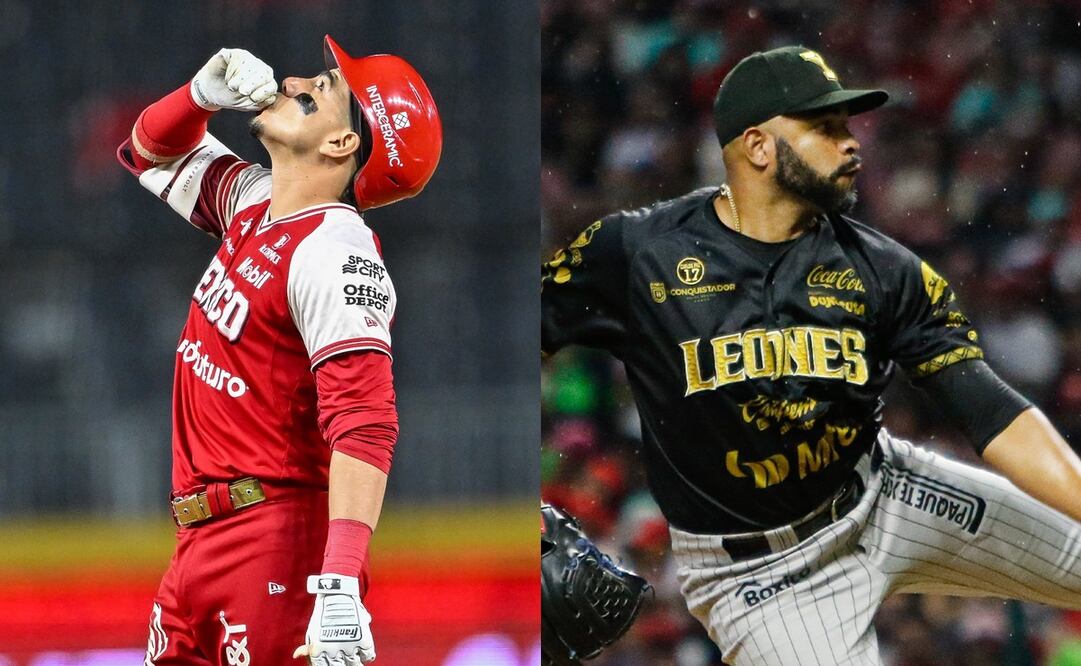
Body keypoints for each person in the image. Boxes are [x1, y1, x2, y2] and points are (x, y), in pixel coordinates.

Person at [541, 45, 1081, 665]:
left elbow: (991, 410)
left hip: (885, 493)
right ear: (758, 147)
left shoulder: (882, 268)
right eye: (824, 128)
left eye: (847, 126)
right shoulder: (638, 254)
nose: (850, 143)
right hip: (760, 577)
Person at [116, 35, 441, 665]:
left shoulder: (336, 251)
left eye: (322, 88)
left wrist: (341, 582)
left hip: (277, 547)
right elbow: (146, 154)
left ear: (342, 143)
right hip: (197, 542)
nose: (294, 81)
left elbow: (365, 426)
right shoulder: (255, 203)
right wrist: (198, 96)